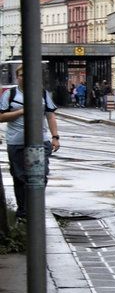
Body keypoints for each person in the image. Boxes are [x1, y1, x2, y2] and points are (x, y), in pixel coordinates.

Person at [0, 65, 60, 220]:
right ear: (17, 76)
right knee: (20, 177)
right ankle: (23, 211)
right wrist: (21, 111)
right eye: (21, 75)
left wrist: (55, 137)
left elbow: (50, 115)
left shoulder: (42, 93)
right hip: (16, 143)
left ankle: (34, 208)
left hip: (40, 142)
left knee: (40, 176)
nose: (24, 78)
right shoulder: (10, 94)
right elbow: (1, 117)